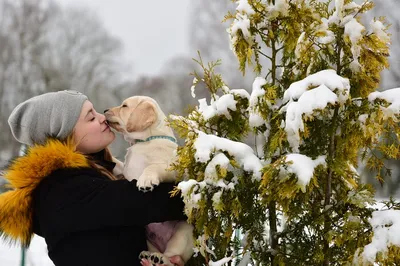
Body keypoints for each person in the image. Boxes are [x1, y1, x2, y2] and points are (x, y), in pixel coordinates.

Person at [0, 90, 187, 266]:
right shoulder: (62, 188)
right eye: (91, 117)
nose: (102, 117)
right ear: (66, 137)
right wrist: (199, 187)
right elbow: (149, 202)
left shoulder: (98, 173)